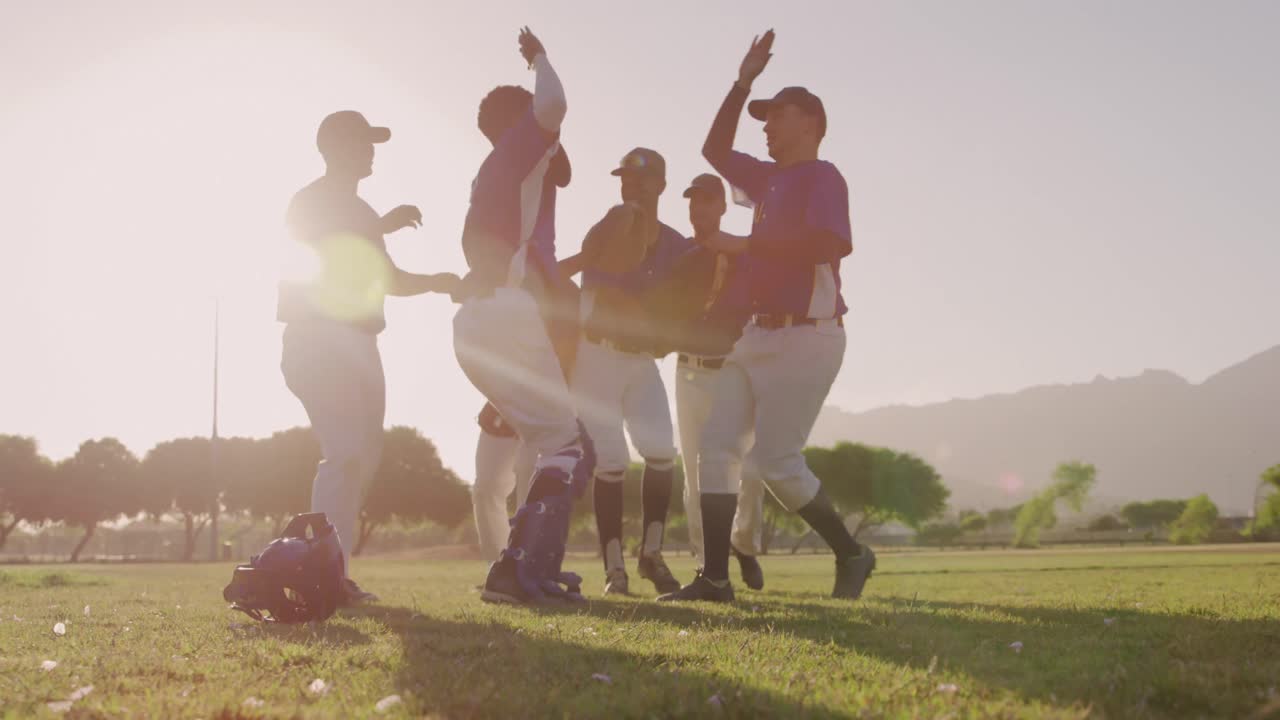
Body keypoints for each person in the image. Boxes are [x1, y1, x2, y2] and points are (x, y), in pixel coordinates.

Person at [659, 30, 876, 603]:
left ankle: (852, 553)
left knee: (777, 465)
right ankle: (713, 578)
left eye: (778, 115)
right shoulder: (767, 179)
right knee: (714, 448)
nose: (767, 125)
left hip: (809, 336)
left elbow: (829, 243)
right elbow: (714, 150)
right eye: (764, 117)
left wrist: (746, 245)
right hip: (756, 336)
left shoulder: (823, 177)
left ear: (811, 122)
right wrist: (742, 82)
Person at [278, 109, 460, 605]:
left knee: (361, 459)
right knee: (344, 455)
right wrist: (384, 229)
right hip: (321, 337)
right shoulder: (314, 200)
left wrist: (431, 275)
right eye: (362, 141)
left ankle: (328, 568)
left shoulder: (358, 210)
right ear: (334, 147)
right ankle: (321, 575)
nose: (371, 151)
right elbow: (332, 256)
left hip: (356, 342)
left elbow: (380, 274)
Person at [452, 27, 594, 604]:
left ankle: (523, 567)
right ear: (518, 122)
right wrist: (539, 57)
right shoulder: (518, 149)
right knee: (564, 445)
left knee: (545, 441)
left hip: (475, 322)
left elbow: (562, 168)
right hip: (509, 311)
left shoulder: (493, 168)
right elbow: (553, 105)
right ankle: (519, 571)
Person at [570, 148, 691, 596]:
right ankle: (614, 569)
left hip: (640, 360)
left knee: (661, 452)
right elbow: (609, 296)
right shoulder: (610, 227)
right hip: (597, 356)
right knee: (612, 460)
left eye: (640, 178)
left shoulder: (676, 244)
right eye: (624, 178)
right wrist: (659, 328)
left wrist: (673, 331)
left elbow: (683, 303)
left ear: (661, 184)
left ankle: (651, 556)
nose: (630, 185)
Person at [656, 173, 765, 590]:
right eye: (692, 201)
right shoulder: (680, 256)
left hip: (734, 373)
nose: (698, 207)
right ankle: (708, 569)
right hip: (689, 371)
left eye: (706, 200)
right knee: (695, 473)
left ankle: (744, 544)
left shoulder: (743, 254)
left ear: (722, 206)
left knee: (750, 469)